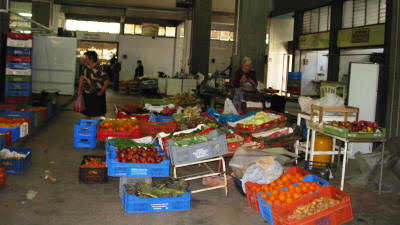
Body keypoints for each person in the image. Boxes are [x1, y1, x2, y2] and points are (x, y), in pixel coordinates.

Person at [78, 51, 109, 117]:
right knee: (87, 112)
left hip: (97, 93)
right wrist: (79, 90)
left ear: (91, 59)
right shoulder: (85, 67)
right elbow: (81, 78)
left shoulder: (100, 68)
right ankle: (88, 125)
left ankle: (102, 125)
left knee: (101, 111)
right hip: (87, 93)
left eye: (86, 58)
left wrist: (101, 92)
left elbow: (106, 81)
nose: (85, 59)